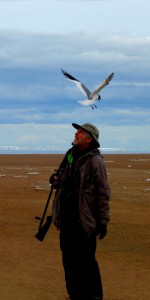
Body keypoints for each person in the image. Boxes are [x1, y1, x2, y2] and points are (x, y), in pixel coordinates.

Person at [50, 123, 110, 300]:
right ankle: (74, 294)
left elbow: (103, 193)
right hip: (67, 219)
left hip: (84, 221)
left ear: (89, 138)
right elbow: (60, 176)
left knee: (87, 261)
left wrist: (103, 221)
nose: (76, 134)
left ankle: (94, 297)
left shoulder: (95, 161)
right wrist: (53, 180)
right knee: (68, 260)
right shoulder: (70, 155)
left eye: (80, 132)